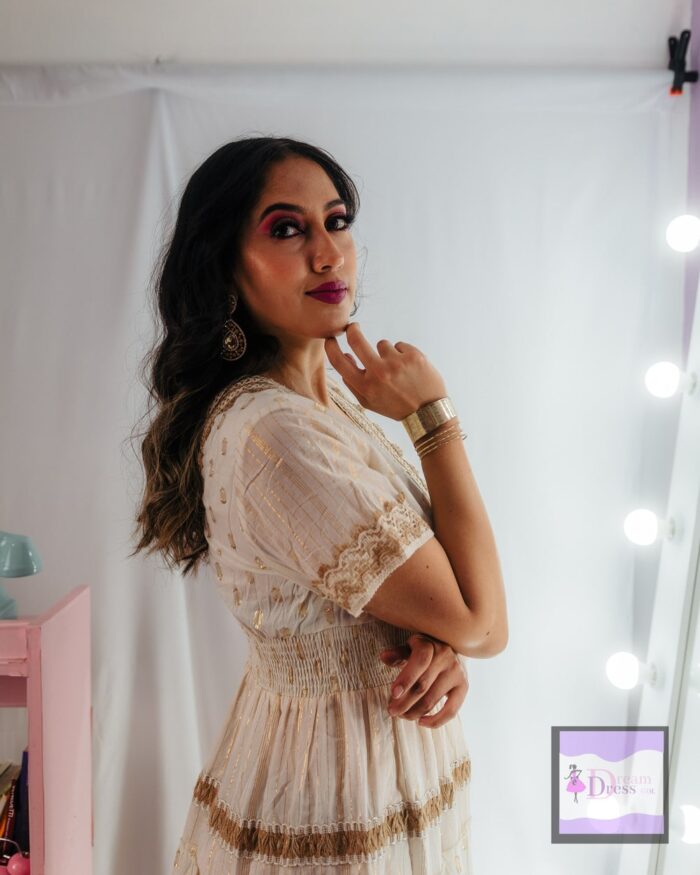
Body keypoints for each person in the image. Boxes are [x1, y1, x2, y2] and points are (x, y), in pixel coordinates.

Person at [131, 135, 508, 873]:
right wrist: (432, 417)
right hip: (334, 798)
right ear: (225, 265)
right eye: (286, 228)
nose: (329, 253)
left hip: (381, 765)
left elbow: (433, 609)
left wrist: (435, 642)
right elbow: (483, 620)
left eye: (336, 221)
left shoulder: (325, 402)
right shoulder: (275, 434)